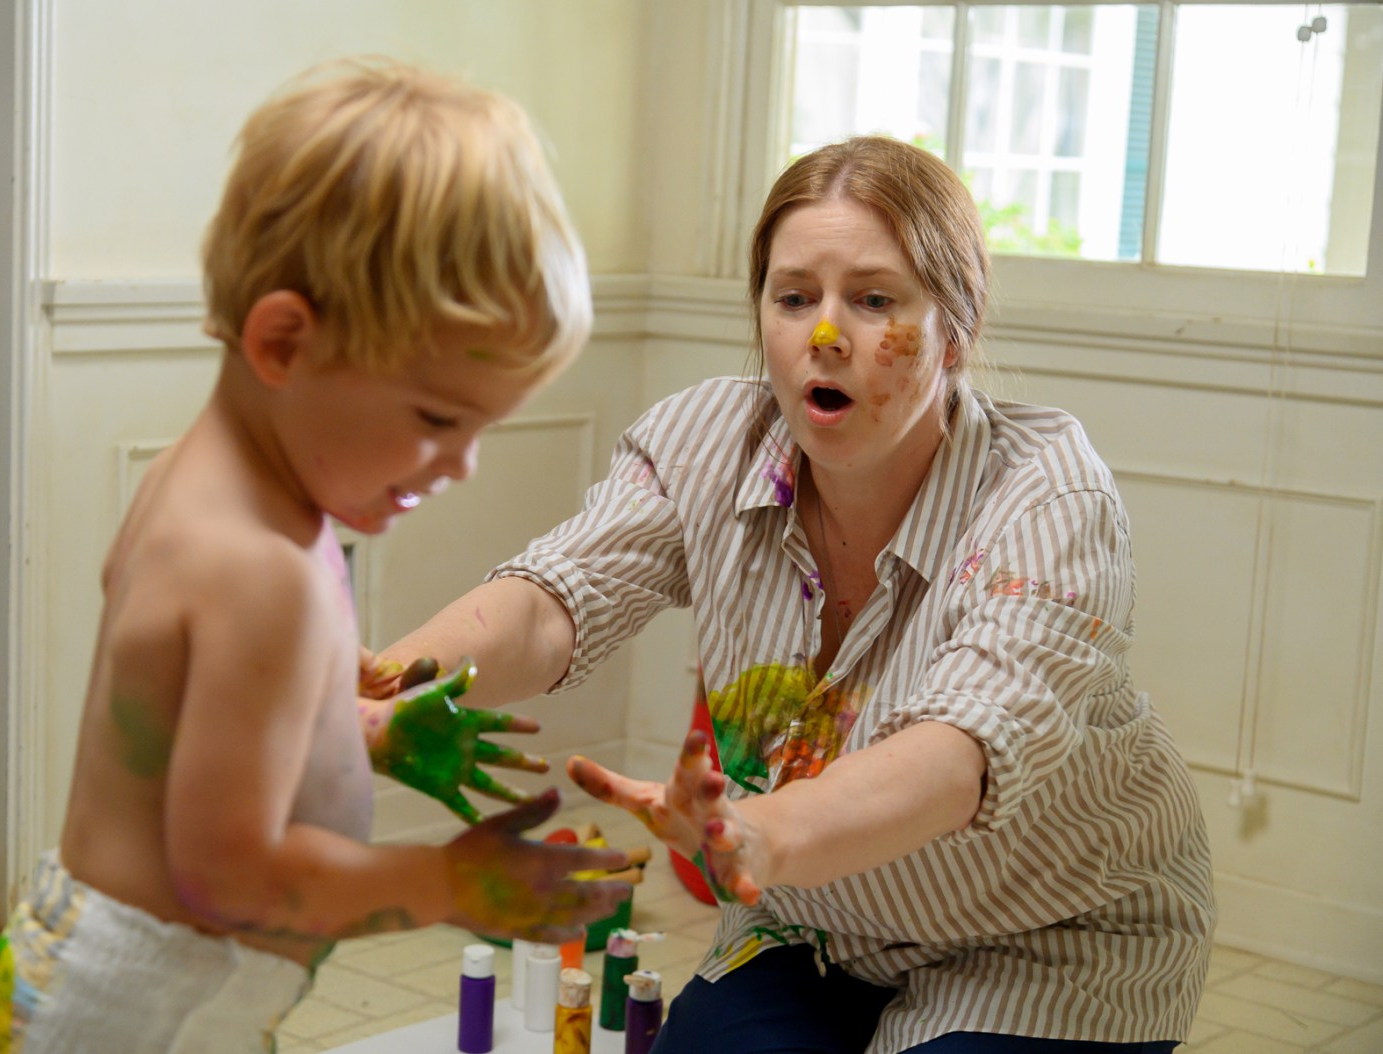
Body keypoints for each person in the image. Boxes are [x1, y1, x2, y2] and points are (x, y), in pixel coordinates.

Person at [381, 135, 1215, 1053]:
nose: (825, 335)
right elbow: (553, 601)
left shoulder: (1050, 493)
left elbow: (953, 757)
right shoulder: (707, 441)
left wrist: (758, 835)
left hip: (1051, 938)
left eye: (872, 300)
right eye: (793, 299)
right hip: (815, 927)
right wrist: (387, 684)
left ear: (957, 328)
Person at [0, 60, 630, 1053]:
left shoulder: (219, 492)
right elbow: (227, 875)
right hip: (129, 1018)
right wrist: (448, 882)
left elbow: (198, 720)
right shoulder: (255, 567)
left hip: (131, 986)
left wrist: (353, 728)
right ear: (283, 343)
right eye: (439, 416)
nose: (462, 463)